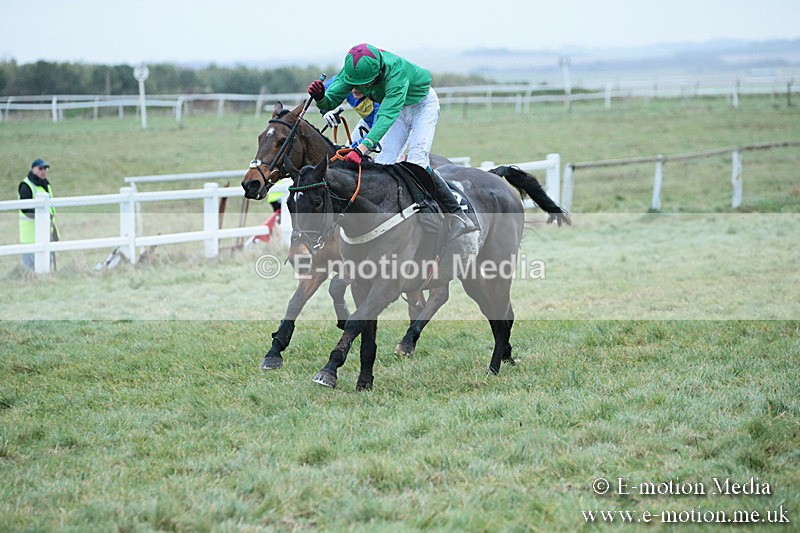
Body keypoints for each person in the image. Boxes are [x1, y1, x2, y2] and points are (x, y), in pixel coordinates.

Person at [308, 43, 476, 239]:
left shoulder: (396, 74)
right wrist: (321, 98)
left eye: (362, 85)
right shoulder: (354, 69)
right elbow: (330, 101)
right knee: (382, 164)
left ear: (377, 74)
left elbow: (385, 117)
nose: (356, 89)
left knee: (417, 162)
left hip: (422, 106)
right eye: (354, 84)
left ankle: (458, 215)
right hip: (400, 110)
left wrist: (361, 150)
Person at [18, 158, 59, 270]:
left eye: (45, 168)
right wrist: (44, 218)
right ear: (33, 169)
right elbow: (25, 210)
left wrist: (53, 232)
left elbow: (51, 210)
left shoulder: (46, 185)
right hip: (30, 237)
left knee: (47, 268)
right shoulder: (26, 186)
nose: (43, 171)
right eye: (40, 168)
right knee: (30, 270)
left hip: (47, 234)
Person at [321, 75, 381, 147]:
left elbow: (377, 132)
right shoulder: (344, 81)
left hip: (385, 127)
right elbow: (323, 90)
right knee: (346, 154)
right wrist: (325, 111)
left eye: (359, 86)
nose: (354, 90)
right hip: (367, 124)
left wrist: (355, 148)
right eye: (352, 85)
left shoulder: (379, 96)